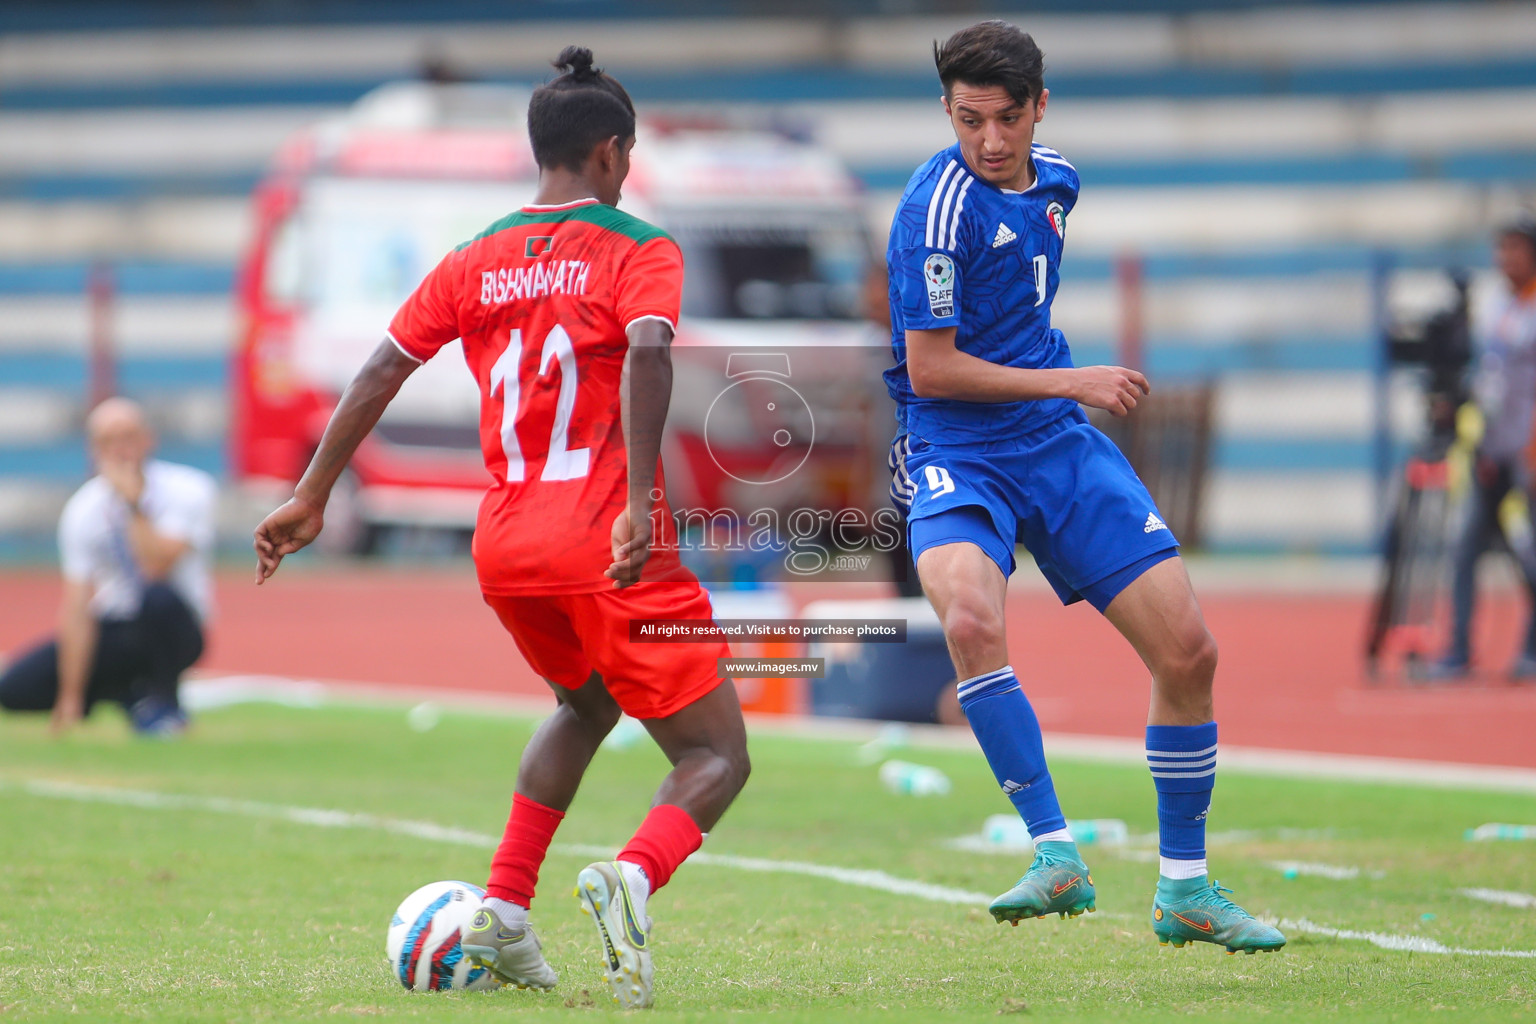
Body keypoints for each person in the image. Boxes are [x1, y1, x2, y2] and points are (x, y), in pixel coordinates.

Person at [251, 47, 748, 1009]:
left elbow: (379, 371)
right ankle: (633, 876)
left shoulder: (473, 256)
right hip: (603, 534)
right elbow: (650, 355)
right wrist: (645, 500)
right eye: (629, 153)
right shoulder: (640, 247)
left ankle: (505, 914)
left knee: (584, 707)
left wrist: (312, 494)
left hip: (508, 544)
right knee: (716, 753)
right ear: (610, 153)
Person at [883, 21, 1284, 955]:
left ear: (1039, 109)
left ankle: (1185, 887)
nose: (988, 139)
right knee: (971, 620)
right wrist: (1076, 379)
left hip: (1056, 446)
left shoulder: (1057, 179)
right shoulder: (933, 211)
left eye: (1006, 118)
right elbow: (933, 371)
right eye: (968, 118)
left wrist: (1061, 397)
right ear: (946, 109)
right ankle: (1053, 850)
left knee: (1188, 655)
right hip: (957, 444)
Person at [0, 397, 215, 736]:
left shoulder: (188, 490)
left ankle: (163, 703)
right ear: (93, 449)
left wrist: (133, 506)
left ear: (148, 439)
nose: (121, 449)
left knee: (156, 598)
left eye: (128, 436)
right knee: (14, 688)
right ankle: (128, 694)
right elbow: (78, 607)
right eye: (108, 440)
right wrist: (70, 695)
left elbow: (156, 566)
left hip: (177, 627)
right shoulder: (83, 510)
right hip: (118, 628)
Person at [1424, 215, 1536, 682]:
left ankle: (1531, 651)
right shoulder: (1495, 308)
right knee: (1464, 547)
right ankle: (1458, 649)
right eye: (1501, 249)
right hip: (1492, 449)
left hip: (1529, 452)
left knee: (1530, 554)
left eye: (1515, 248)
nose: (1506, 258)